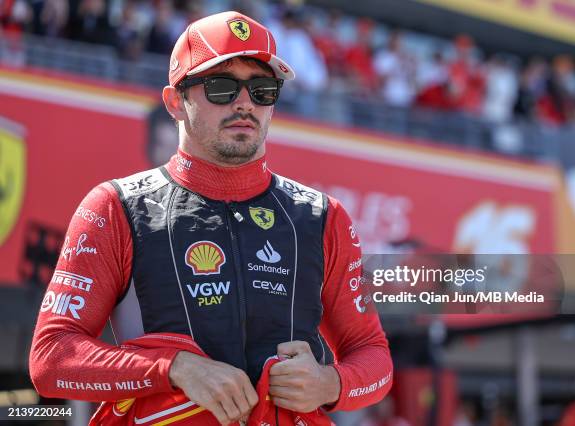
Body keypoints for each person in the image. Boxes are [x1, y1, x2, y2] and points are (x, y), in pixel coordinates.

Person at [29, 10, 393, 425]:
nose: (244, 103)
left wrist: (331, 384)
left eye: (262, 89)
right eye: (221, 87)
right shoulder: (115, 207)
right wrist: (175, 369)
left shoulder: (323, 216)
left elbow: (374, 356)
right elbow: (51, 359)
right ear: (174, 102)